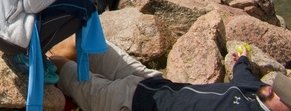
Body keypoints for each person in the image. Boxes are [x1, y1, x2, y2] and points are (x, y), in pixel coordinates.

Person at [51, 41, 291, 111]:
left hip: (133, 103)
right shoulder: (259, 91)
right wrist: (242, 57)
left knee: (60, 65)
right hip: (152, 81)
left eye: (280, 95)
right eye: (278, 86)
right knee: (84, 43)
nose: (272, 88)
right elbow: (244, 76)